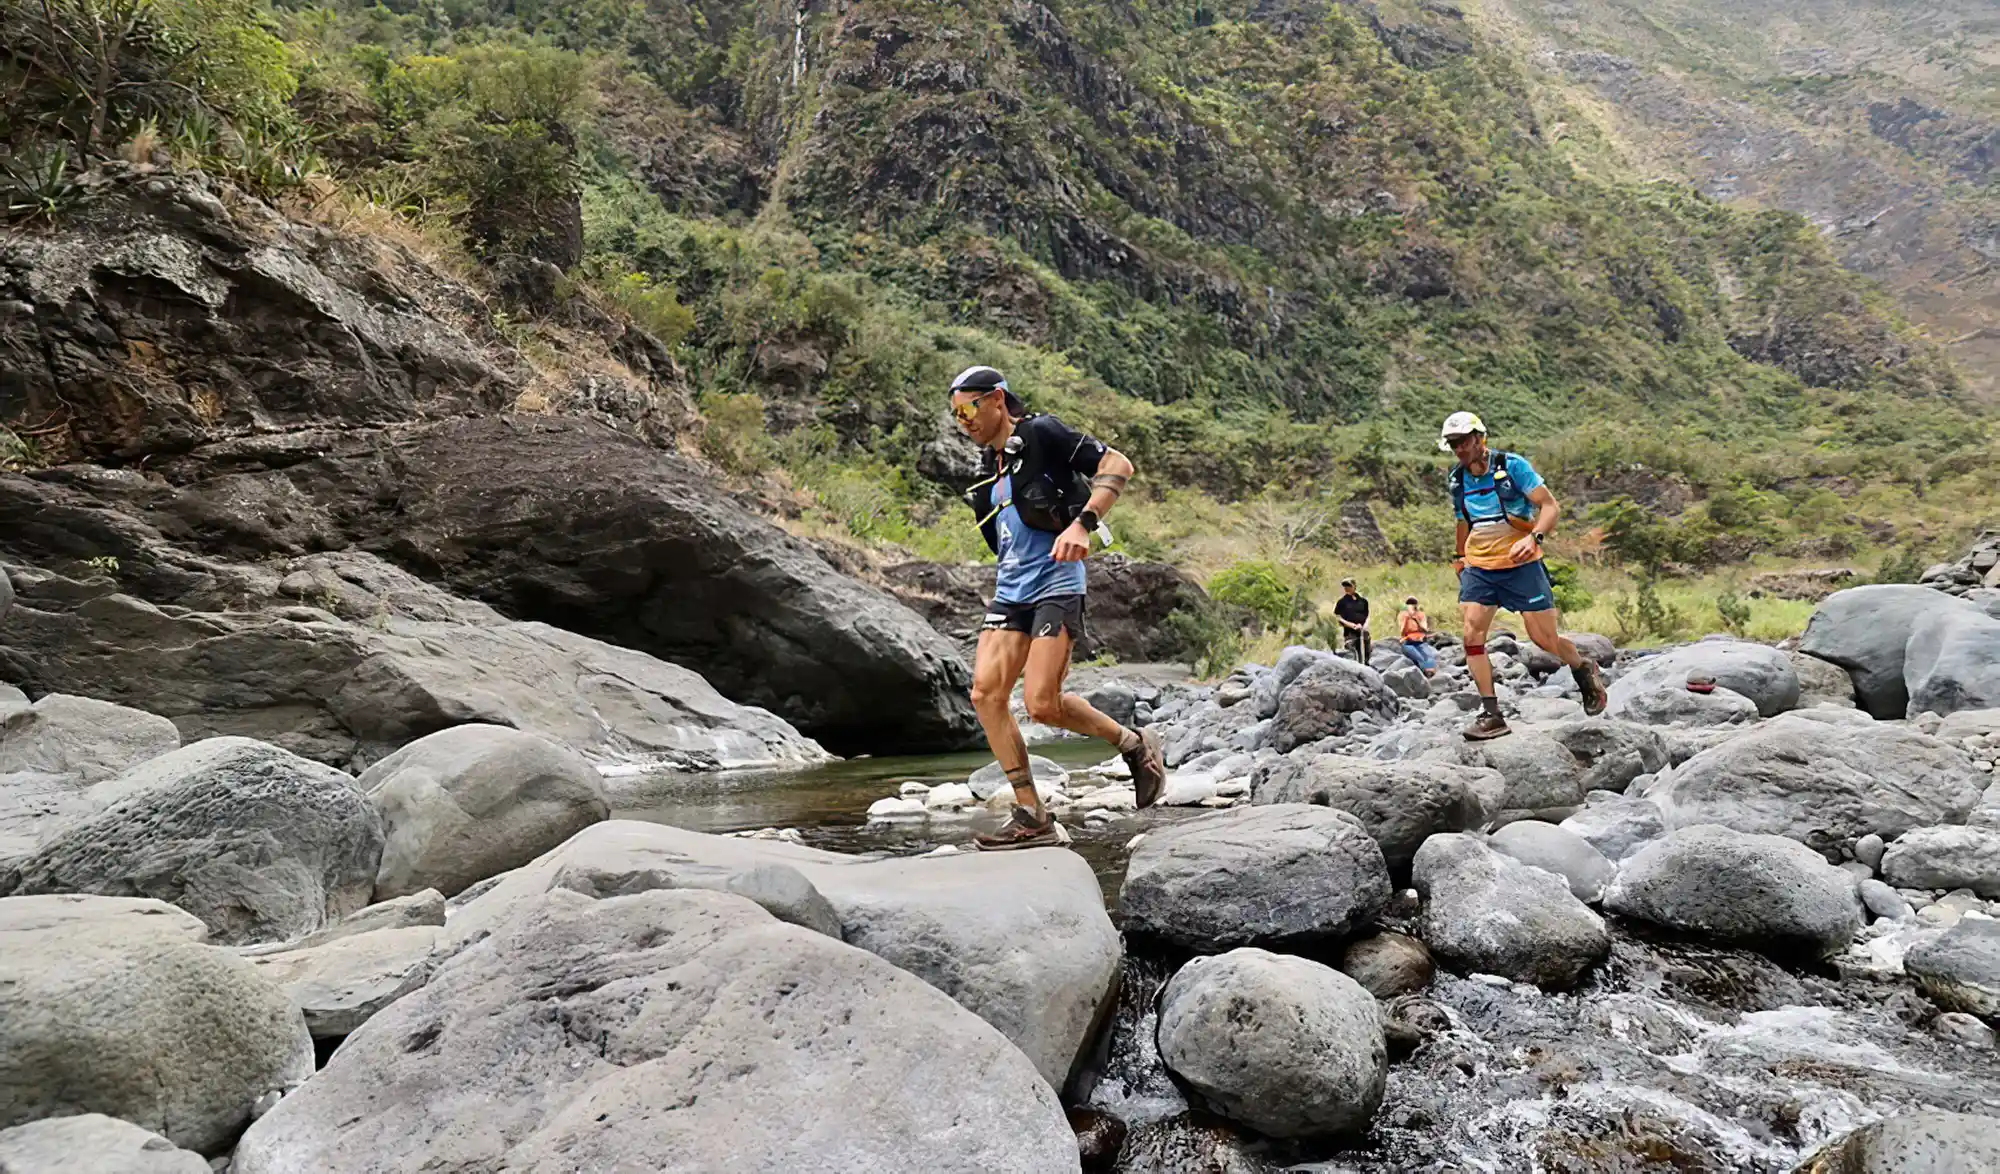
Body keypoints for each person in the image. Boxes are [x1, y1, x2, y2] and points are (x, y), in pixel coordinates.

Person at [949, 365, 1168, 849]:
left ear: (998, 399)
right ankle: (1031, 815)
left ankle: (1133, 744)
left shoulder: (1043, 434)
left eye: (969, 408)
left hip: (1057, 584)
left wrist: (1082, 524)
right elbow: (1004, 543)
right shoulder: (985, 474)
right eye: (955, 414)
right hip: (1011, 593)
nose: (963, 420)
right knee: (986, 696)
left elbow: (1118, 465)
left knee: (1043, 705)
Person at [1440, 410, 1608, 740]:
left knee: (1543, 639)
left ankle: (1582, 668)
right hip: (1480, 567)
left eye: (1462, 441)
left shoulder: (1511, 466)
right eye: (1452, 444)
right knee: (1472, 636)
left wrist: (1534, 539)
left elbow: (1550, 507)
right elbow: (1463, 521)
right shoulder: (1457, 480)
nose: (1459, 449)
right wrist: (1460, 558)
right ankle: (1491, 713)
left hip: (1522, 566)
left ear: (1479, 438)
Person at [1334, 578, 1371, 663]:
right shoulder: (1342, 602)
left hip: (1363, 631)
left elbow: (1367, 615)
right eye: (1345, 586)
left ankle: (1366, 666)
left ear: (1354, 586)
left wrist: (1365, 625)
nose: (1347, 588)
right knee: (1352, 655)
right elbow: (1338, 617)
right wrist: (1351, 625)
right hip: (1350, 633)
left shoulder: (1363, 601)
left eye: (1349, 585)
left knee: (1366, 653)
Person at [1398, 596, 1438, 677]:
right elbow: (1402, 632)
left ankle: (1430, 670)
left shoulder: (1421, 615)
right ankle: (1425, 671)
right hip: (1408, 641)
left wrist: (1416, 620)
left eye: (1413, 604)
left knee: (1428, 655)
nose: (1411, 606)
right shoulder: (1402, 615)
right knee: (1417, 656)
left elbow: (1424, 630)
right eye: (1409, 604)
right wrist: (1406, 620)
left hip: (1420, 640)